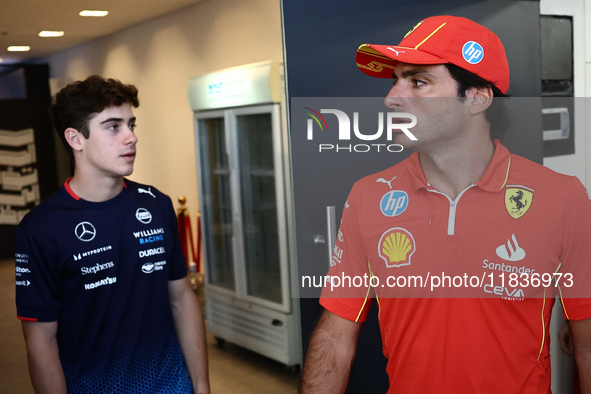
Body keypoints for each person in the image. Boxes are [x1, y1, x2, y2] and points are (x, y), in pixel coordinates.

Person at [299, 15, 591, 393]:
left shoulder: (562, 198)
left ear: (476, 97)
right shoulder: (368, 196)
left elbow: (586, 342)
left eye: (418, 81)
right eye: (396, 80)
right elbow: (336, 335)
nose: (392, 98)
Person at [14, 75, 210, 394]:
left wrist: (201, 385)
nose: (131, 137)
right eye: (113, 126)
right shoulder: (40, 229)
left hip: (170, 386)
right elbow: (40, 341)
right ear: (76, 139)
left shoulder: (157, 205)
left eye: (131, 125)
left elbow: (181, 298)